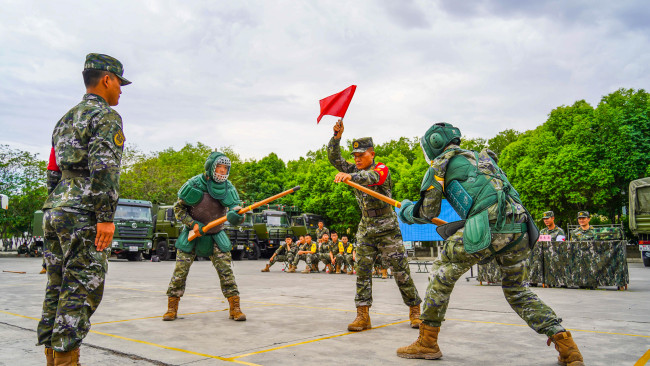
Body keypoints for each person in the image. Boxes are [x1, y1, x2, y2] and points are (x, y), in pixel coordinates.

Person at [396, 122, 583, 365]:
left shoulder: (439, 166)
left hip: (490, 226)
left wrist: (407, 210)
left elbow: (427, 211)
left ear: (433, 145)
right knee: (517, 290)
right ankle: (566, 344)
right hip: (519, 228)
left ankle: (427, 341)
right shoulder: (483, 159)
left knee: (441, 273)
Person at [37, 53, 130, 366]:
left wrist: (55, 205)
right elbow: (105, 169)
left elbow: (53, 169)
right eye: (119, 82)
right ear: (106, 79)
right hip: (83, 213)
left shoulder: (65, 118)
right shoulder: (105, 117)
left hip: (56, 208)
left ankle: (52, 358)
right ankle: (65, 360)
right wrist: (105, 218)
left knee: (56, 285)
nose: (121, 90)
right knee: (80, 289)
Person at [328, 119, 422, 331]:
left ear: (372, 154)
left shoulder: (381, 169)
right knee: (362, 271)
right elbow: (334, 158)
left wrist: (350, 175)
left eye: (361, 155)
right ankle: (363, 315)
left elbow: (372, 177)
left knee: (400, 271)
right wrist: (336, 137)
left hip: (387, 227)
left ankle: (415, 310)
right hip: (366, 227)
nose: (357, 159)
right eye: (354, 156)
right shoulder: (354, 168)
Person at [162, 151, 247, 322]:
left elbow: (236, 211)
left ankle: (235, 308)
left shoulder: (228, 187)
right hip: (193, 234)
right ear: (210, 168)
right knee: (180, 271)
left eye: (225, 168)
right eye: (220, 167)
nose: (223, 171)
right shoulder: (194, 184)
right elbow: (178, 209)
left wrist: (238, 215)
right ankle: (172, 308)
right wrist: (193, 224)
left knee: (227, 272)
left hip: (217, 234)